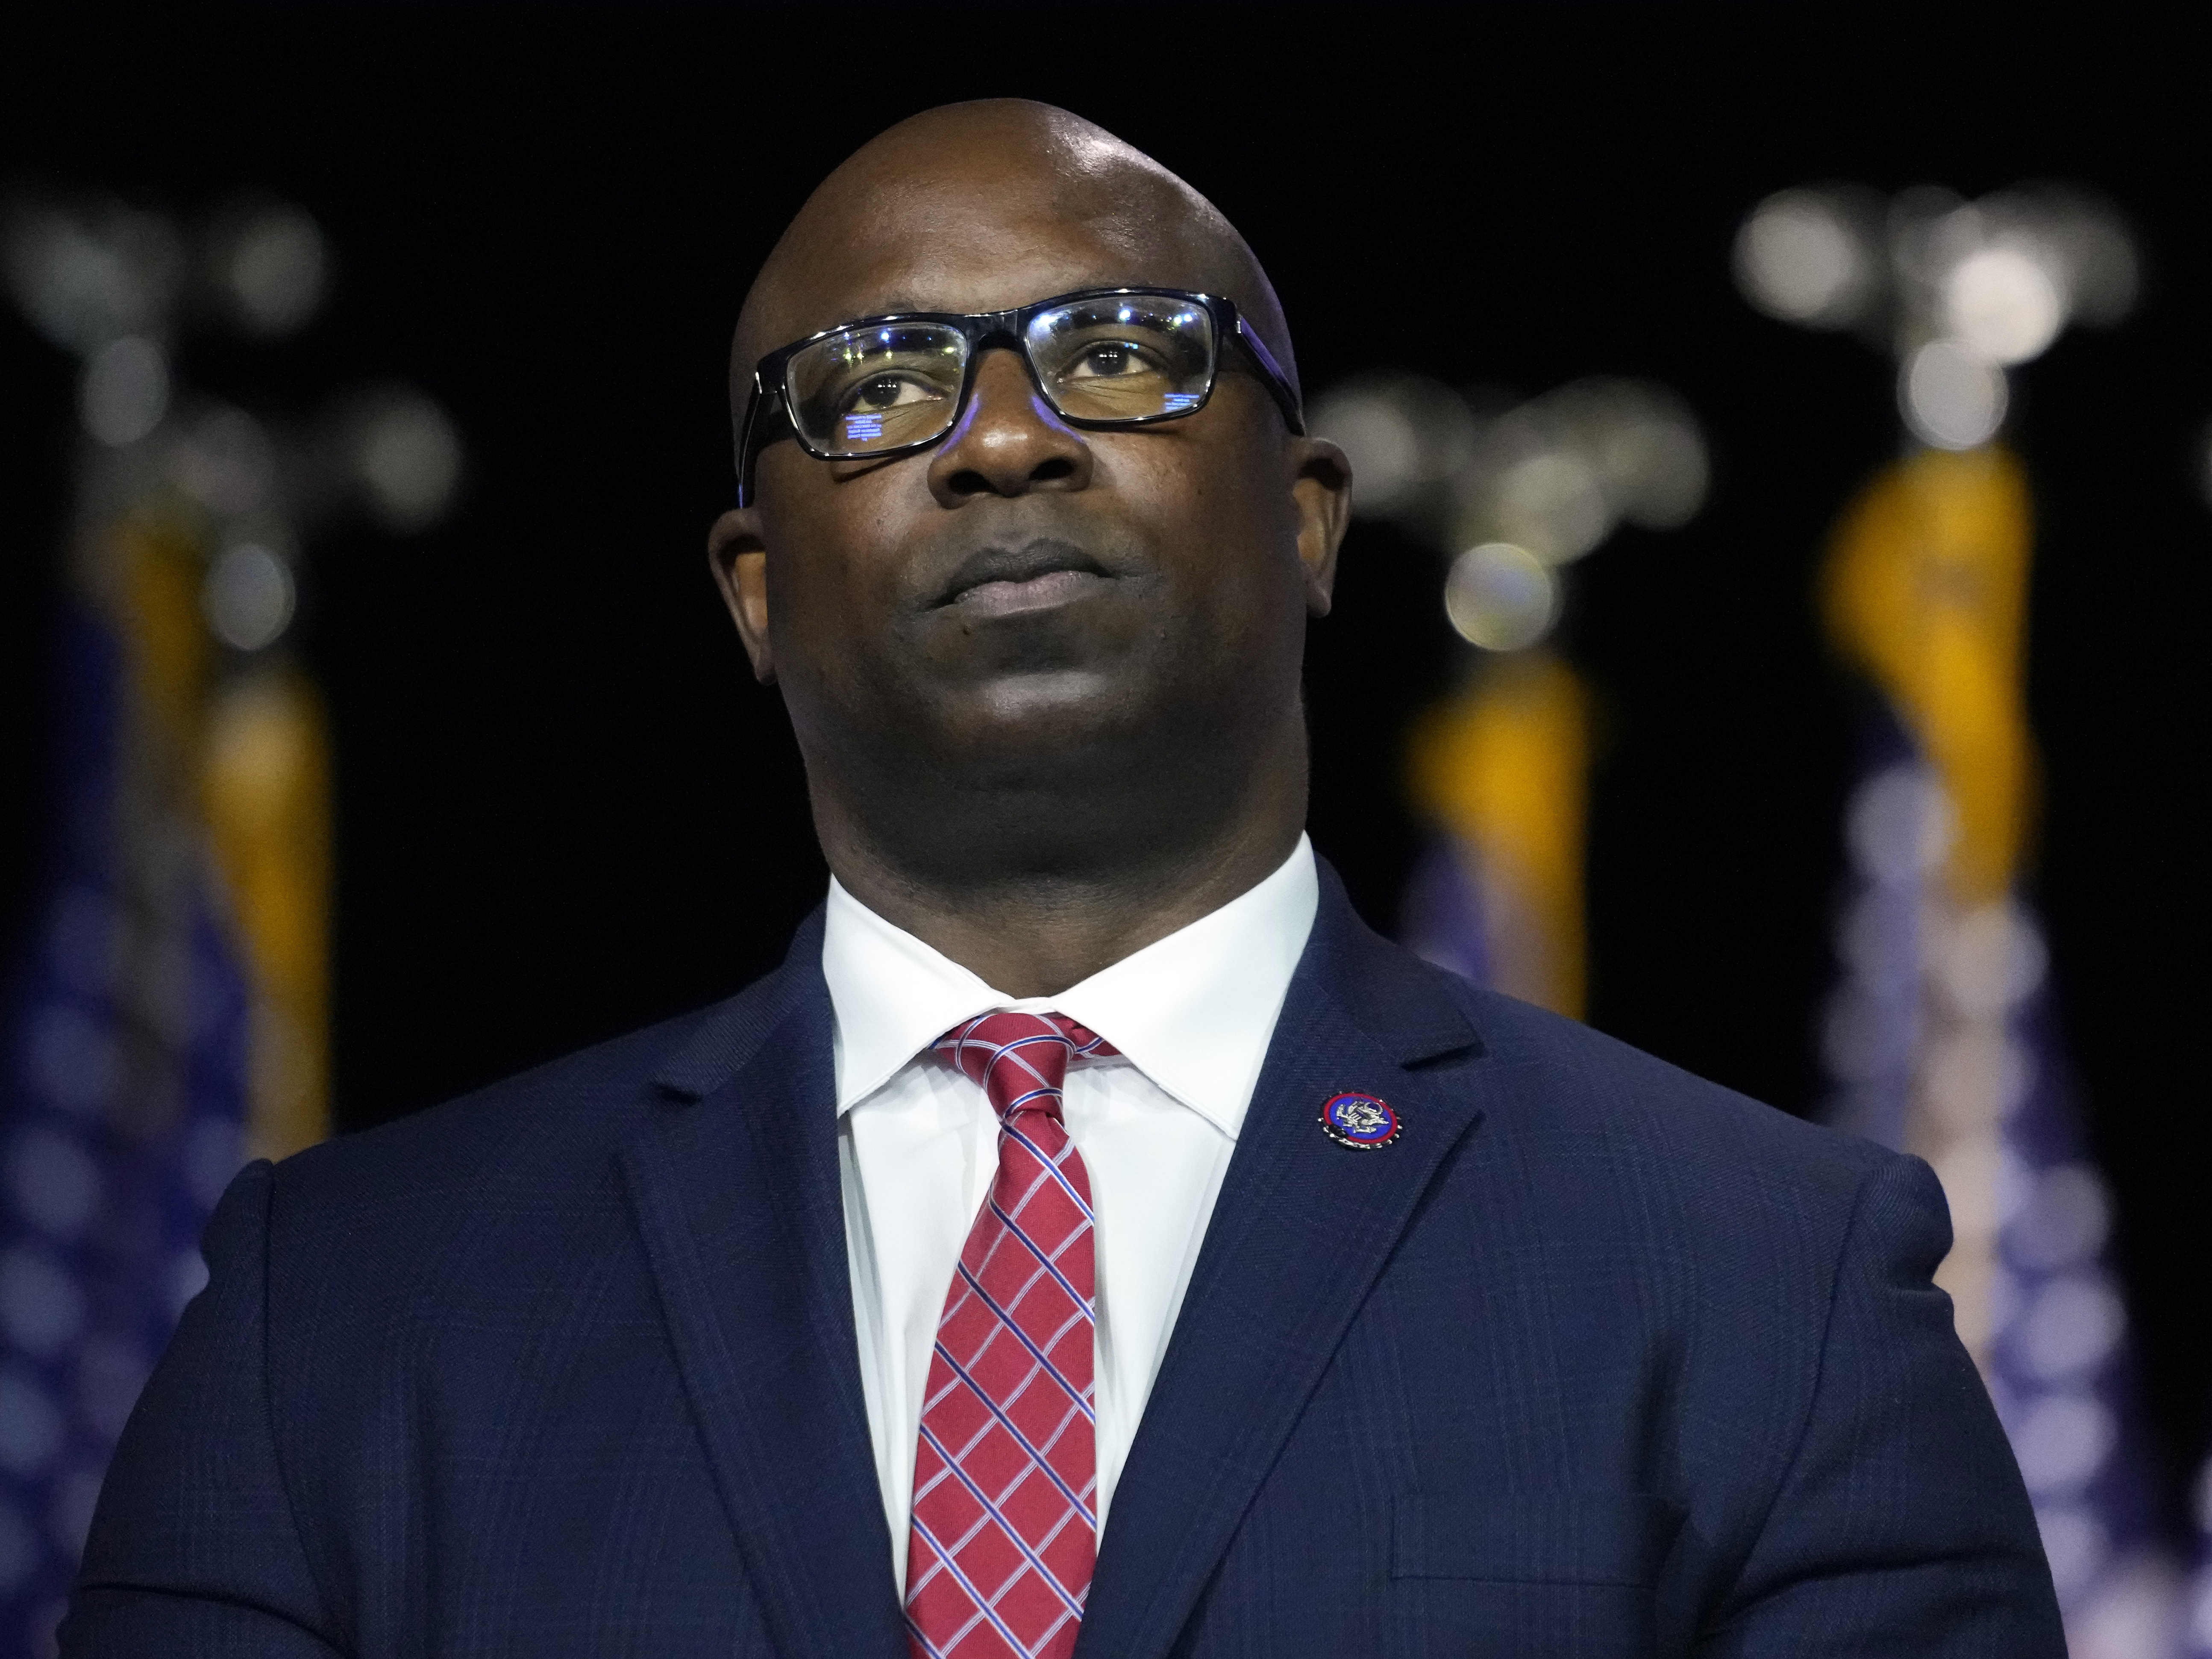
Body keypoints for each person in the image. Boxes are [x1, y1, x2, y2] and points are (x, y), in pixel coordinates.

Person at [65, 100, 2062, 1658]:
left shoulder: (1764, 1282)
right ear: (752, 592)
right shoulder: (342, 1316)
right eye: (875, 386)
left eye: (1116, 353)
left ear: (1307, 521)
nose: (1002, 439)